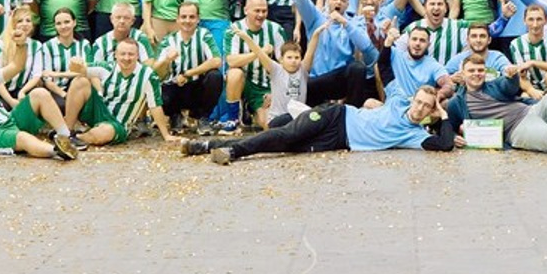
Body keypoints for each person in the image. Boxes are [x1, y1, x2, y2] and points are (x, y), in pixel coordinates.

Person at [185, 84, 456, 163]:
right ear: (413, 99)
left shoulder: (414, 134)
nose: (419, 108)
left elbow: (444, 145)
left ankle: (207, 145)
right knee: (286, 135)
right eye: (418, 101)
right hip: (337, 116)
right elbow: (376, 96)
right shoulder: (398, 102)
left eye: (426, 106)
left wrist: (443, 115)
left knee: (282, 143)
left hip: (339, 141)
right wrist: (375, 104)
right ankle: (233, 152)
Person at [65, 36, 173, 146]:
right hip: (100, 110)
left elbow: (155, 106)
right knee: (80, 81)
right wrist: (74, 63)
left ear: (137, 56)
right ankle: (66, 132)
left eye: (131, 54)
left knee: (104, 133)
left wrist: (166, 135)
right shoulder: (107, 67)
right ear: (115, 55)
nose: (126, 58)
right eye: (123, 54)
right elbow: (79, 69)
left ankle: (77, 138)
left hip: (118, 124)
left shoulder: (148, 75)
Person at [291, 0, 378, 106]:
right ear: (328, 0)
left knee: (358, 68)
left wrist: (344, 22)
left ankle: (353, 115)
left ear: (348, 4)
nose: (338, 2)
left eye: (342, 0)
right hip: (317, 79)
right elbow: (301, 2)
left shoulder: (354, 22)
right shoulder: (316, 18)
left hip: (340, 79)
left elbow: (366, 46)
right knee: (301, 85)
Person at [219, 0, 290, 132]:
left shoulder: (275, 29)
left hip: (264, 85)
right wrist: (260, 52)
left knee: (268, 125)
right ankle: (232, 120)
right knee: (234, 73)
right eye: (257, 10)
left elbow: (284, 65)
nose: (261, 15)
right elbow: (231, 61)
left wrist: (276, 92)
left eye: (264, 11)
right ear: (246, 10)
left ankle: (250, 109)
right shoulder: (233, 30)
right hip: (244, 81)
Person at [154, 0, 226, 130]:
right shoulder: (168, 41)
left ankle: (202, 117)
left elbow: (217, 60)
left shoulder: (204, 35)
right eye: (183, 17)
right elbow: (156, 73)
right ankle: (174, 115)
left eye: (192, 17)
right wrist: (166, 61)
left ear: (198, 19)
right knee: (157, 86)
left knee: (215, 76)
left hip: (196, 87)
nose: (187, 21)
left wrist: (188, 74)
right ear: (177, 19)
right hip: (175, 88)